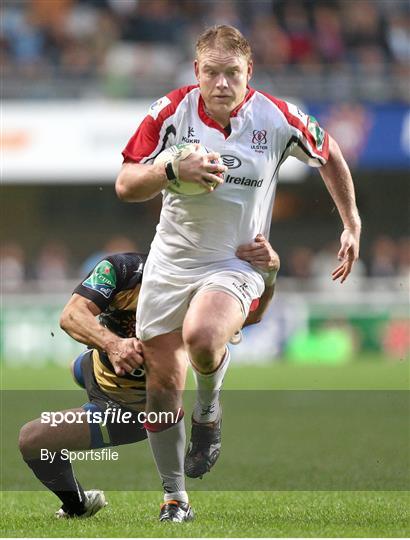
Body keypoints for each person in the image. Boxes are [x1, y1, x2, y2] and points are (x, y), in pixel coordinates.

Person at [115, 25, 361, 522]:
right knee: (162, 385)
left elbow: (329, 151)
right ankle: (174, 499)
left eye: (233, 73)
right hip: (169, 262)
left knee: (203, 337)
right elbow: (124, 184)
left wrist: (351, 222)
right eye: (212, 72)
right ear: (197, 72)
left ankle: (208, 412)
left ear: (250, 72)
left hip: (237, 260)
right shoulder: (169, 112)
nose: (222, 83)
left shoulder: (276, 116)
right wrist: (170, 172)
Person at [18, 244, 279, 519]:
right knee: (77, 367)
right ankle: (79, 503)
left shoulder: (200, 292)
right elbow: (71, 315)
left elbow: (253, 316)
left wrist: (269, 278)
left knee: (32, 439)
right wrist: (112, 344)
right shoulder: (120, 269)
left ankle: (77, 505)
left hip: (125, 410)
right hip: (96, 369)